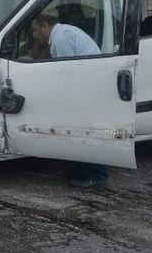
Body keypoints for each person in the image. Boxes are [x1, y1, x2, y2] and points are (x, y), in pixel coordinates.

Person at [31, 12, 109, 189]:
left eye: (36, 30)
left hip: (88, 88)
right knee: (79, 131)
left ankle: (98, 175)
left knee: (86, 132)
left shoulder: (60, 38)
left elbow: (66, 72)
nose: (35, 35)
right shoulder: (62, 34)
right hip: (88, 86)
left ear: (45, 25)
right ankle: (83, 168)